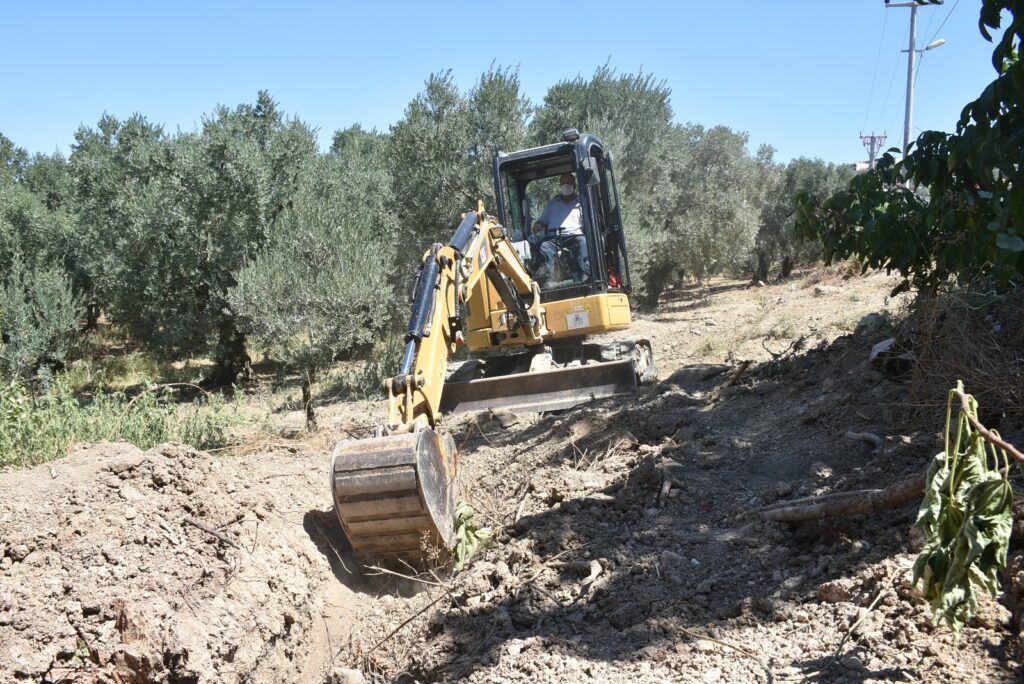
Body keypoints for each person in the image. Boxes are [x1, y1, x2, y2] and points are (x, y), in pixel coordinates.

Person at [529, 173, 589, 281]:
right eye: (563, 183)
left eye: (569, 183)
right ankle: (548, 278)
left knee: (583, 242)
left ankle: (584, 274)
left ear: (574, 185)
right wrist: (537, 226)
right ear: (560, 185)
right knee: (544, 246)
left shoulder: (582, 202)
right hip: (554, 238)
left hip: (574, 235)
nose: (566, 185)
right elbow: (542, 222)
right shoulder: (552, 204)